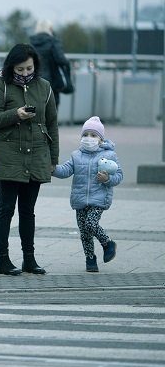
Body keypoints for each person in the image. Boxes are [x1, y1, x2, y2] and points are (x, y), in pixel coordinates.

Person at [0, 43, 59, 276]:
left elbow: (52, 124)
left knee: (28, 210)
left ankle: (29, 258)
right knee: (6, 209)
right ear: (11, 68)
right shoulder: (1, 87)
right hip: (8, 158)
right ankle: (2, 258)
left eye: (29, 68)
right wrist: (15, 114)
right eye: (20, 70)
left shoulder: (45, 87)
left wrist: (53, 158)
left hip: (36, 156)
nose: (25, 74)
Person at [53, 116, 122, 272]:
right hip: (80, 199)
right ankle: (90, 258)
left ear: (100, 139)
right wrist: (52, 169)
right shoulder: (76, 155)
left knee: (91, 223)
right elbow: (65, 170)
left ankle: (108, 243)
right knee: (84, 232)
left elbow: (119, 176)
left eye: (93, 135)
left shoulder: (109, 155)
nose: (88, 138)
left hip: (99, 199)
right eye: (85, 135)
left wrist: (107, 179)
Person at [29, 19, 74, 106]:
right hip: (53, 81)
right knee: (52, 108)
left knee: (37, 107)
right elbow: (61, 60)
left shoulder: (32, 43)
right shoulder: (53, 42)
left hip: (35, 80)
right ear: (50, 28)